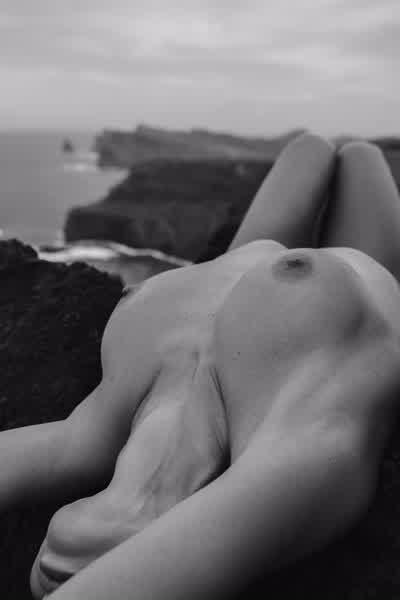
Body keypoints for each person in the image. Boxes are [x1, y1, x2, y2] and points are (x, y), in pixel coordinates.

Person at [1, 133, 399, 600]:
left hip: (221, 276)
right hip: (343, 291)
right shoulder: (294, 461)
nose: (51, 574)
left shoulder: (87, 435)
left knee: (308, 150)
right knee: (353, 155)